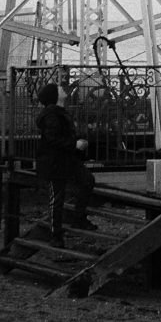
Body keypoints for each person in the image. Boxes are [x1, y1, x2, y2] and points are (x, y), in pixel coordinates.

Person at [34, 82, 94, 241]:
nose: (62, 89)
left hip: (66, 159)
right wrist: (74, 144)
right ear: (54, 96)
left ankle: (78, 217)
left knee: (87, 181)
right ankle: (56, 234)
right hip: (55, 162)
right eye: (59, 89)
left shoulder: (58, 113)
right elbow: (53, 139)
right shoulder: (52, 115)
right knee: (57, 198)